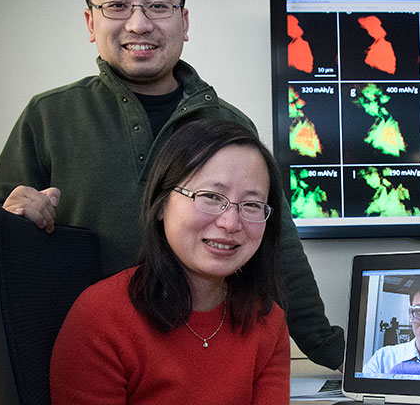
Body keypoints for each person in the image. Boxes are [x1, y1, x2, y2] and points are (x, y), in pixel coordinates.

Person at [0, 0, 343, 369]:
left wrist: (326, 346)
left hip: (210, 357)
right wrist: (11, 216)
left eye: (157, 5)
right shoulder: (49, 116)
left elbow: (278, 248)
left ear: (183, 22)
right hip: (91, 359)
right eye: (116, 5)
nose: (138, 23)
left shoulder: (228, 125)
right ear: (91, 23)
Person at [50, 119, 290, 404]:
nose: (230, 222)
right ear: (162, 203)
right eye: (211, 196)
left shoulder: (267, 321)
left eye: (251, 204)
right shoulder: (100, 317)